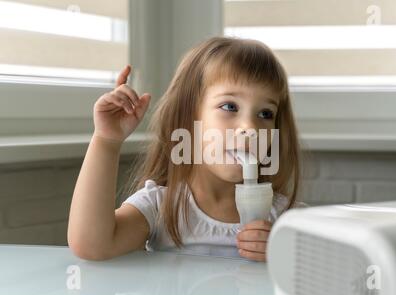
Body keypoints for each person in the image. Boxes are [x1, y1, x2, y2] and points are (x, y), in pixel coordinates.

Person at [68, 36, 306, 262]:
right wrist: (107, 141)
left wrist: (286, 255)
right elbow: (92, 245)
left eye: (265, 113)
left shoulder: (283, 218)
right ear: (188, 117)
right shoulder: (162, 207)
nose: (250, 128)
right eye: (230, 106)